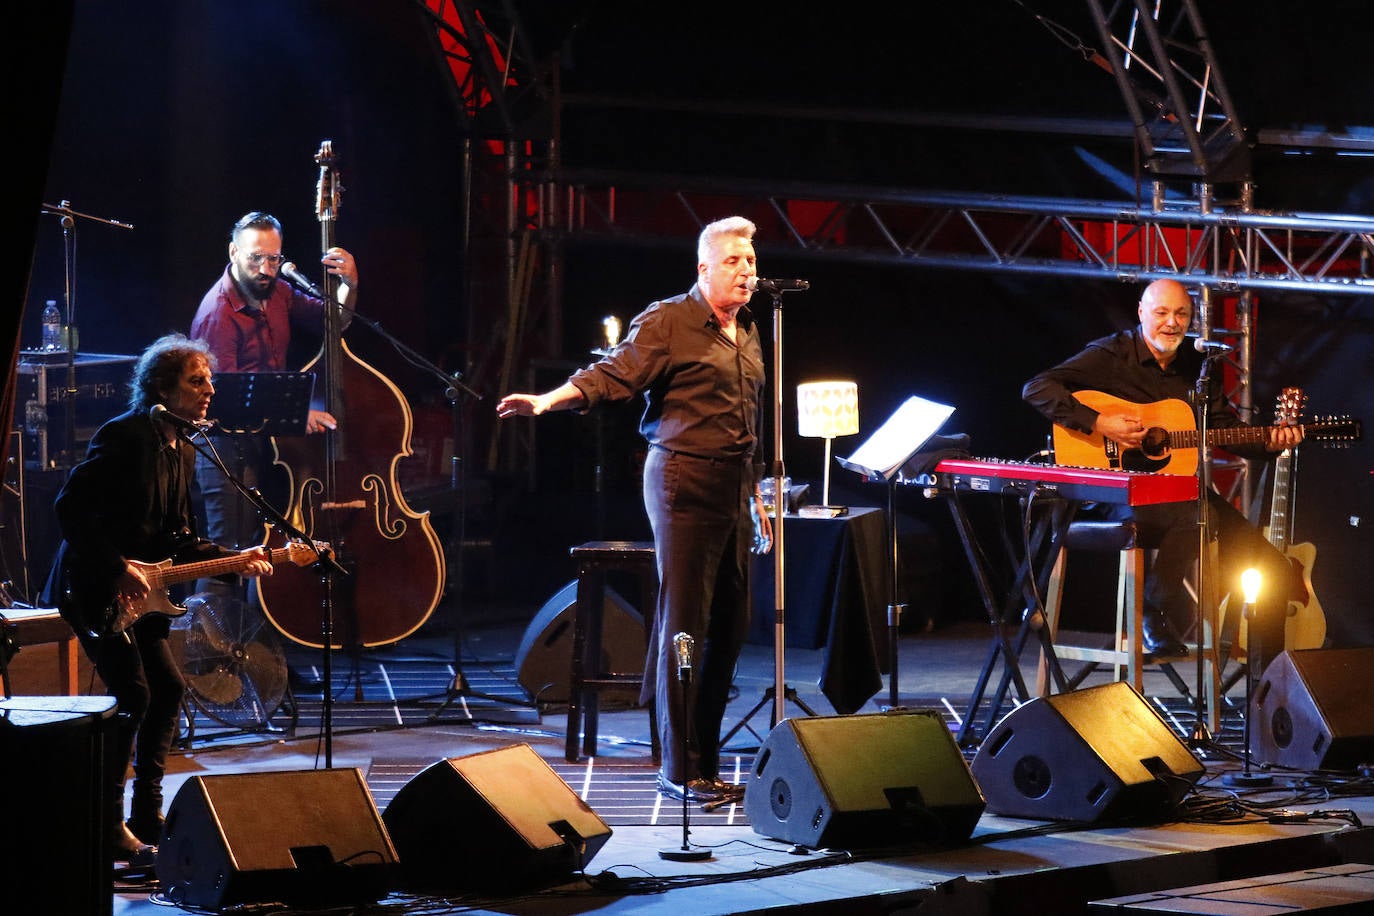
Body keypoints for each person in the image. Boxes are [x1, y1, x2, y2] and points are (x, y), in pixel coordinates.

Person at [496, 216, 774, 805]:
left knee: (730, 622)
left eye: (751, 261)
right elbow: (612, 373)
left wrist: (757, 498)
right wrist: (549, 400)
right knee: (686, 621)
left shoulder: (749, 329)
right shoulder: (670, 319)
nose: (747, 272)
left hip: (732, 486)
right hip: (682, 479)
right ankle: (679, 766)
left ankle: (705, 753)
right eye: (733, 262)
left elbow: (747, 422)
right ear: (704, 268)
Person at [40, 333, 274, 864]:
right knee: (136, 696)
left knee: (166, 689)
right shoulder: (123, 437)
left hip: (146, 595)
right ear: (161, 388)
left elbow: (177, 537)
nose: (209, 389)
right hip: (94, 586)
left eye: (209, 379)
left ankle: (148, 816)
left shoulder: (182, 447)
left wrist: (238, 559)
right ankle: (106, 822)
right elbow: (70, 509)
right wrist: (118, 567)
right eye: (197, 380)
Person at [1022, 277, 1302, 672]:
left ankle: (1268, 687)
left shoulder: (1198, 364)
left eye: (1181, 314)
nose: (1172, 323)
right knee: (1192, 510)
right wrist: (1099, 422)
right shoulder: (1112, 354)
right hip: (1114, 492)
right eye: (1162, 313)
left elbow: (1222, 427)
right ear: (1141, 313)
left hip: (1179, 495)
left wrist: (1269, 443)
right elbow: (1036, 387)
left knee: (1271, 567)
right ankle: (1154, 611)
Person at [188, 210, 358, 568]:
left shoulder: (279, 291)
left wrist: (349, 285)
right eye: (255, 258)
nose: (266, 269)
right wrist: (296, 414)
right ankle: (206, 625)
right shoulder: (217, 314)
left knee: (260, 552)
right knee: (229, 558)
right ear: (233, 253)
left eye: (273, 258)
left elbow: (333, 321)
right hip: (224, 450)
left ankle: (256, 624)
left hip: (263, 439)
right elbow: (222, 400)